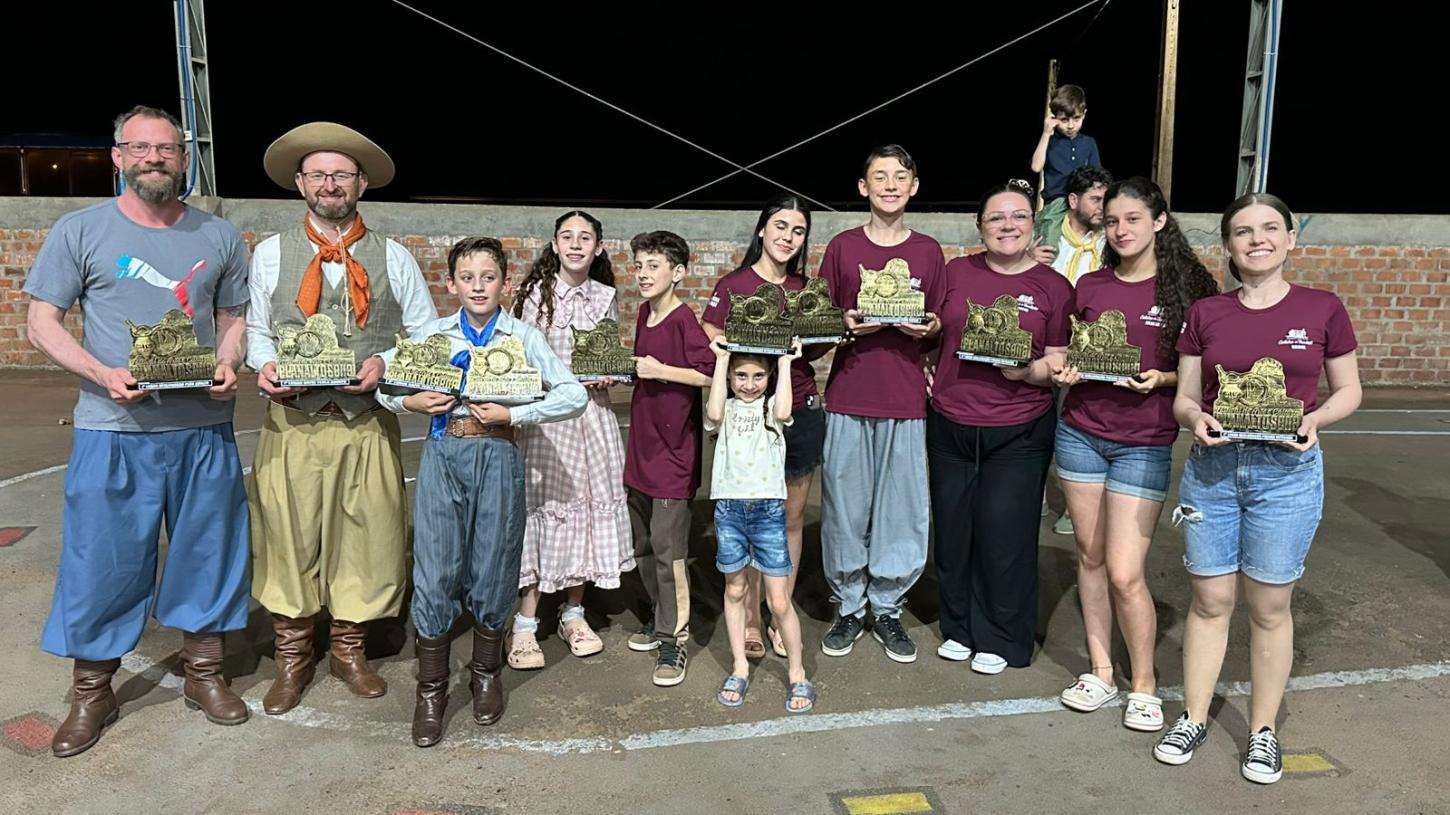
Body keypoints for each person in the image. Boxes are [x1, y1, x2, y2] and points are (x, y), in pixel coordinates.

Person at [26, 105, 253, 756]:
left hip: (201, 426)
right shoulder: (80, 230)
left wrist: (229, 362)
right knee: (102, 561)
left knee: (209, 552)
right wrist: (101, 372)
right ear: (118, 156)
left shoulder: (219, 236)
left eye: (167, 148)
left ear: (184, 158)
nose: (155, 158)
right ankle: (92, 690)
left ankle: (203, 673)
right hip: (114, 427)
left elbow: (233, 317)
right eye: (140, 147)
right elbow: (41, 323)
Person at [1153, 193, 1361, 785]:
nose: (1257, 239)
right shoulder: (1206, 313)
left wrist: (1314, 421)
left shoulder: (1323, 308)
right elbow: (1185, 397)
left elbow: (1349, 390)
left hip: (1287, 476)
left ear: (1291, 238)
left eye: (1270, 228)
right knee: (1210, 602)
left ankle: (1263, 731)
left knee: (1269, 608)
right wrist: (1195, 419)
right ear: (1228, 245)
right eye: (1243, 231)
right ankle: (1194, 717)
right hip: (1213, 472)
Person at [246, 122, 437, 714]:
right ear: (301, 183)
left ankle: (348, 650)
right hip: (293, 423)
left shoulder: (395, 257)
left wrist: (386, 362)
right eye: (319, 175)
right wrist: (265, 365)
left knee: (368, 535)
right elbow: (256, 329)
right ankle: (293, 656)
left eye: (342, 175)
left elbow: (425, 333)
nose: (330, 184)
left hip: (365, 420)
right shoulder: (270, 253)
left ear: (361, 184)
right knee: (287, 537)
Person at [376, 237, 586, 746]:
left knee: (494, 563)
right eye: (467, 278)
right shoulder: (433, 335)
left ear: (504, 284)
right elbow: (384, 384)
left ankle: (486, 673)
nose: (477, 287)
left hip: (497, 453)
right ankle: (431, 689)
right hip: (444, 453)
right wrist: (411, 403)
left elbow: (573, 394)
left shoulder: (523, 337)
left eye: (488, 278)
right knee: (435, 568)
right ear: (451, 284)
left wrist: (518, 413)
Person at [1049, 177, 1218, 732]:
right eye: (1113, 221)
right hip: (1080, 434)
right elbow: (1074, 350)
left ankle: (1143, 683)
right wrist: (1068, 372)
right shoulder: (1091, 285)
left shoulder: (1190, 290)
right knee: (1090, 557)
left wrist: (1161, 378)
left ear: (1159, 221)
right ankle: (1101, 671)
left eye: (1133, 219)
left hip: (1143, 442)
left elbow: (1206, 374)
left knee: (1125, 572)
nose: (1121, 230)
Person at [507, 211, 634, 670]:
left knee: (586, 510)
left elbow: (609, 356)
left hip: (593, 420)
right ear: (555, 244)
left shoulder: (606, 296)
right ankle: (525, 623)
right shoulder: (534, 296)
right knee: (543, 510)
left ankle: (573, 613)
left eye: (585, 238)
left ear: (598, 247)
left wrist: (610, 375)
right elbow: (520, 362)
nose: (576, 244)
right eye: (567, 236)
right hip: (548, 422)